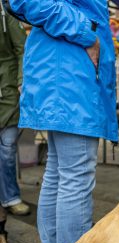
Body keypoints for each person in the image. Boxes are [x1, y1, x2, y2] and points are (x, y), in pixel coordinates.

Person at [8, 0, 118, 243]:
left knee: (59, 174)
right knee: (74, 176)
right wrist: (87, 32)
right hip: (70, 71)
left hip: (60, 68)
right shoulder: (80, 33)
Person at [0, 4, 30, 218]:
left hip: (7, 91)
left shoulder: (4, 12)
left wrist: (21, 80)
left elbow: (22, 48)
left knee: (7, 148)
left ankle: (10, 197)